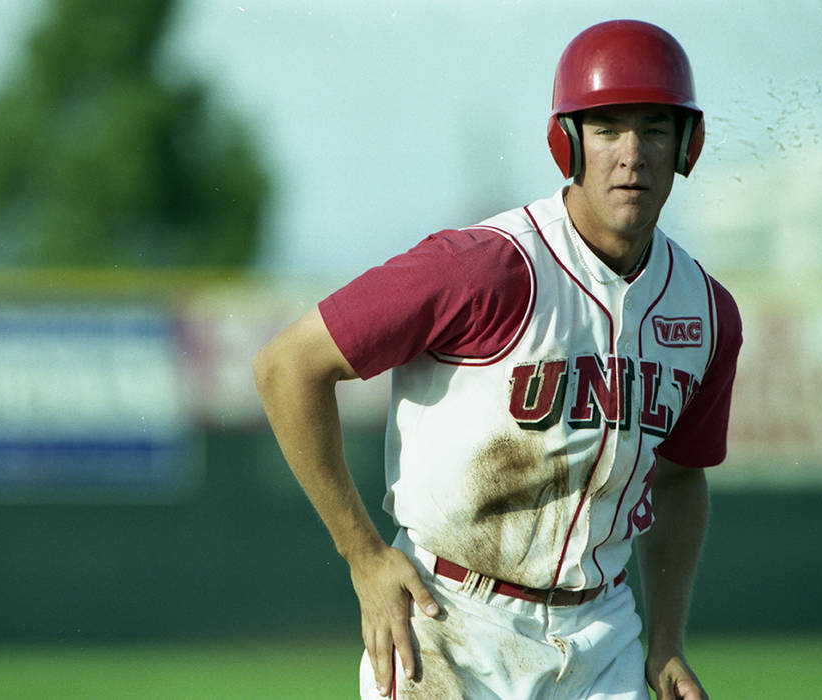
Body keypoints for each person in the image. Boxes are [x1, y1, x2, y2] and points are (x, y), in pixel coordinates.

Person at [254, 19, 740, 700]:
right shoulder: (487, 268)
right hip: (448, 622)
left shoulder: (706, 310)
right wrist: (363, 555)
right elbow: (287, 366)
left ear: (687, 143)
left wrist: (665, 642)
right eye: (606, 128)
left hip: (605, 635)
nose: (632, 153)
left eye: (655, 128)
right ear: (566, 142)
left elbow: (682, 479)